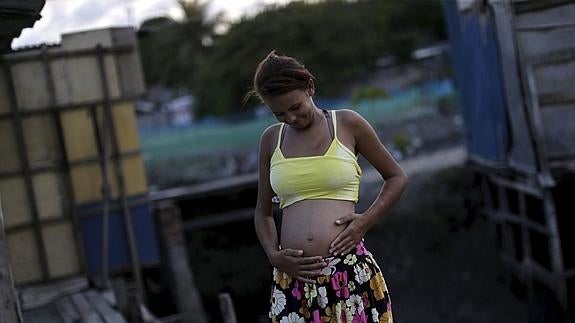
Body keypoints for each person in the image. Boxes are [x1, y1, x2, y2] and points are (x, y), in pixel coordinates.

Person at [251, 51, 407, 323]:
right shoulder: (271, 139)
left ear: (310, 87)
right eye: (279, 113)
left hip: (346, 274)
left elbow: (396, 177)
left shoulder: (347, 124)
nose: (290, 118)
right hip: (293, 283)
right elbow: (263, 212)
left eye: (296, 107)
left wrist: (364, 222)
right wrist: (274, 256)